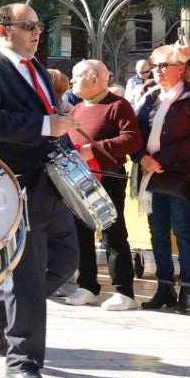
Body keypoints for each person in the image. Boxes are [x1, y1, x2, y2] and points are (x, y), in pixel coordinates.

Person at [0, 3, 82, 378]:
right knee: (28, 275)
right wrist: (47, 124)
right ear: (2, 31)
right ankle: (23, 362)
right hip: (14, 184)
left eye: (39, 25)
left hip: (49, 180)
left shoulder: (37, 72)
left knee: (66, 260)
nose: (36, 32)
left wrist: (61, 135)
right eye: (27, 25)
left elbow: (51, 120)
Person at [64, 59, 143, 309]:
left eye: (77, 76)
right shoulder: (76, 110)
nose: (72, 80)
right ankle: (87, 285)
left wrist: (94, 150)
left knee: (113, 234)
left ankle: (124, 291)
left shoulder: (118, 106)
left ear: (95, 78)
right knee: (81, 234)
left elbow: (132, 140)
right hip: (79, 180)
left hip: (108, 178)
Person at [134, 45, 190, 313]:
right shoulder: (149, 97)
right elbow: (135, 132)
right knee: (158, 232)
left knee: (184, 231)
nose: (158, 70)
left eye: (165, 65)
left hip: (179, 175)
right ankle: (164, 286)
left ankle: (188, 288)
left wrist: (161, 159)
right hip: (150, 174)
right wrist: (142, 156)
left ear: (182, 69)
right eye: (156, 65)